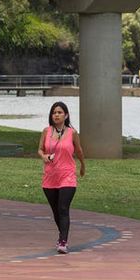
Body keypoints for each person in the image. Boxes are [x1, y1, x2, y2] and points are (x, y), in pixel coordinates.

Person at [38, 101, 86, 254]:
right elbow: (40, 149)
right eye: (54, 113)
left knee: (63, 208)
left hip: (67, 175)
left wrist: (83, 165)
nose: (56, 115)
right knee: (56, 211)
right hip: (50, 177)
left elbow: (79, 150)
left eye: (59, 112)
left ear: (66, 115)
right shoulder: (46, 131)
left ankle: (63, 241)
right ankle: (62, 235)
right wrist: (44, 156)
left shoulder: (72, 133)